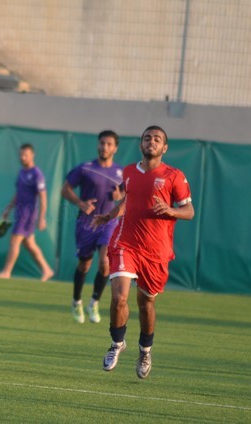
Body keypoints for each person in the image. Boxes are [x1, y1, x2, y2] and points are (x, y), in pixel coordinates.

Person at [92, 125, 194, 379]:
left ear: (164, 147)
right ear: (140, 145)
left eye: (157, 139)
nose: (151, 142)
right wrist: (108, 216)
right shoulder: (128, 172)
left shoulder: (174, 176)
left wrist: (171, 212)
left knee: (146, 304)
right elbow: (128, 201)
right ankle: (117, 344)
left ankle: (145, 350)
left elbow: (189, 211)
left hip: (156, 251)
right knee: (119, 298)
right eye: (147, 138)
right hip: (126, 243)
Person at [61, 130, 123, 324]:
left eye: (109, 144)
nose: (105, 147)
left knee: (105, 263)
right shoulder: (85, 168)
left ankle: (94, 302)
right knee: (84, 265)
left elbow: (126, 197)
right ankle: (76, 301)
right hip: (86, 223)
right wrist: (81, 203)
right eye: (102, 143)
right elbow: (65, 189)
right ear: (98, 145)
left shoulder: (121, 173)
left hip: (108, 222)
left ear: (115, 148)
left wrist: (119, 197)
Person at [0, 144, 54, 282]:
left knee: (14, 241)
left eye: (25, 154)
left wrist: (42, 218)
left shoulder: (37, 174)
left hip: (28, 215)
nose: (22, 157)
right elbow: (18, 193)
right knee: (30, 245)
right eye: (20, 154)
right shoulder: (21, 172)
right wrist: (8, 209)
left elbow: (43, 196)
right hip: (19, 213)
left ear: (32, 155)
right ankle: (47, 270)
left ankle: (6, 272)